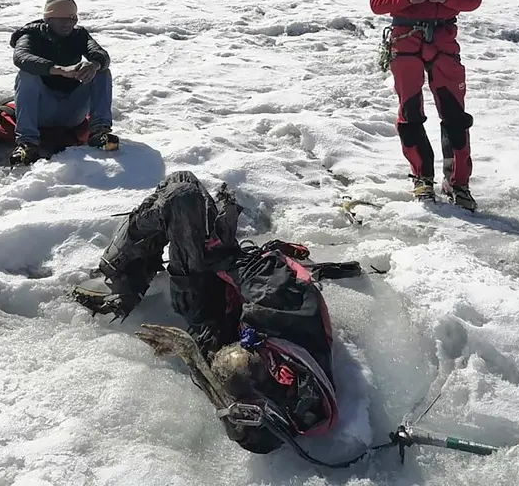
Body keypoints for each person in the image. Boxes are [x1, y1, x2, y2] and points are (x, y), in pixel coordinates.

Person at [70, 171, 361, 454]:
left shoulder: (264, 395)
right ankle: (129, 269)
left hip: (208, 309)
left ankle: (119, 278)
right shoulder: (280, 306)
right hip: (228, 285)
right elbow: (249, 270)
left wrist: (189, 350)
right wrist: (216, 247)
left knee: (181, 194)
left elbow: (224, 390)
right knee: (184, 185)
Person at [369, 0, 483, 210]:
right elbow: (377, 2)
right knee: (410, 112)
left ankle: (458, 183)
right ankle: (422, 179)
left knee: (455, 115)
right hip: (406, 42)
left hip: (443, 41)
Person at [8, 0, 118, 165]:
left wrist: (93, 65)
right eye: (62, 19)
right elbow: (21, 57)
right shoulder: (31, 35)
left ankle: (100, 132)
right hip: (42, 110)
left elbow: (100, 55)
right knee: (26, 74)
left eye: (72, 19)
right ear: (48, 19)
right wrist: (58, 70)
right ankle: (27, 143)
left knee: (102, 71)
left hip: (72, 110)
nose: (68, 24)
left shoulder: (79, 35)